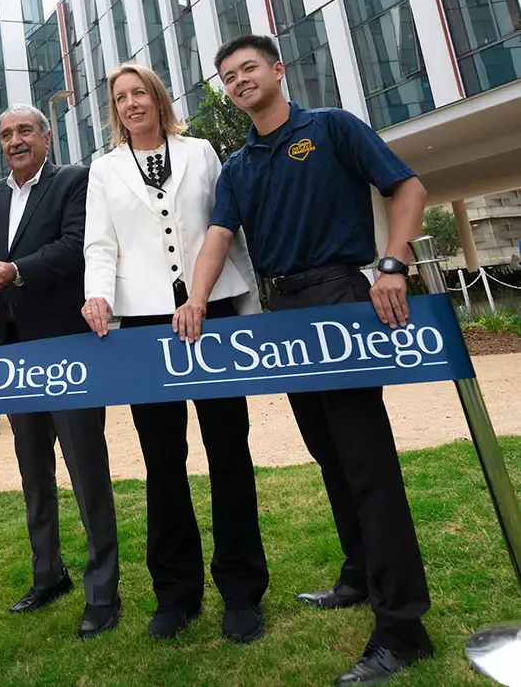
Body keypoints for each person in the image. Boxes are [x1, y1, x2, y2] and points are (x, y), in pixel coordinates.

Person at [173, 34, 432, 686]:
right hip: (281, 315)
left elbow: (408, 188)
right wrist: (195, 300)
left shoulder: (333, 127)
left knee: (367, 463)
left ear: (278, 69)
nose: (239, 81)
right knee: (329, 454)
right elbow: (217, 238)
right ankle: (360, 575)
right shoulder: (238, 166)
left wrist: (394, 264)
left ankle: (403, 628)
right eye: (228, 76)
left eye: (249, 68)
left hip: (340, 297)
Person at [82, 64, 269, 644]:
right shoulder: (105, 168)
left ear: (159, 97)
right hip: (142, 324)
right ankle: (176, 593)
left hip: (212, 314)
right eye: (121, 98)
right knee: (163, 462)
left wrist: (244, 307)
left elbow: (227, 226)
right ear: (114, 110)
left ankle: (241, 591)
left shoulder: (203, 151)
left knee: (228, 451)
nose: (132, 103)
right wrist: (99, 295)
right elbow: (100, 242)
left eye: (140, 92)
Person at [0, 104, 121, 640]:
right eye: (6, 133)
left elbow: (77, 247)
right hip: (13, 353)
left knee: (86, 470)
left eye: (25, 131)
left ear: (47, 137)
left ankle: (103, 591)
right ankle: (48, 574)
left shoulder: (76, 181)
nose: (15, 140)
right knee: (33, 471)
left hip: (67, 350)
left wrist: (15, 272)